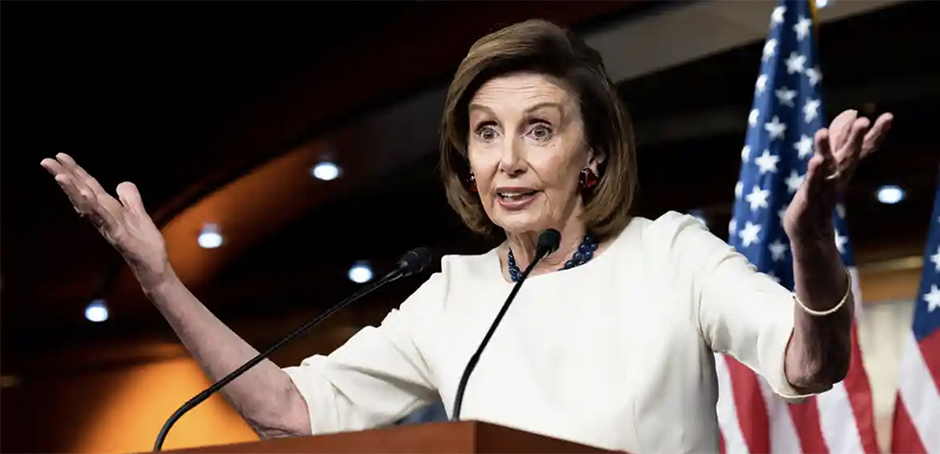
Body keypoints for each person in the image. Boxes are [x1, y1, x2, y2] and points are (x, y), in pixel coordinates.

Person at [41, 19, 892, 453]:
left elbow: (810, 362)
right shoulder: (452, 294)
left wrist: (812, 239)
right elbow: (289, 411)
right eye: (486, 132)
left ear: (592, 155)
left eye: (539, 129)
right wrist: (160, 280)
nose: (508, 161)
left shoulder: (672, 255)